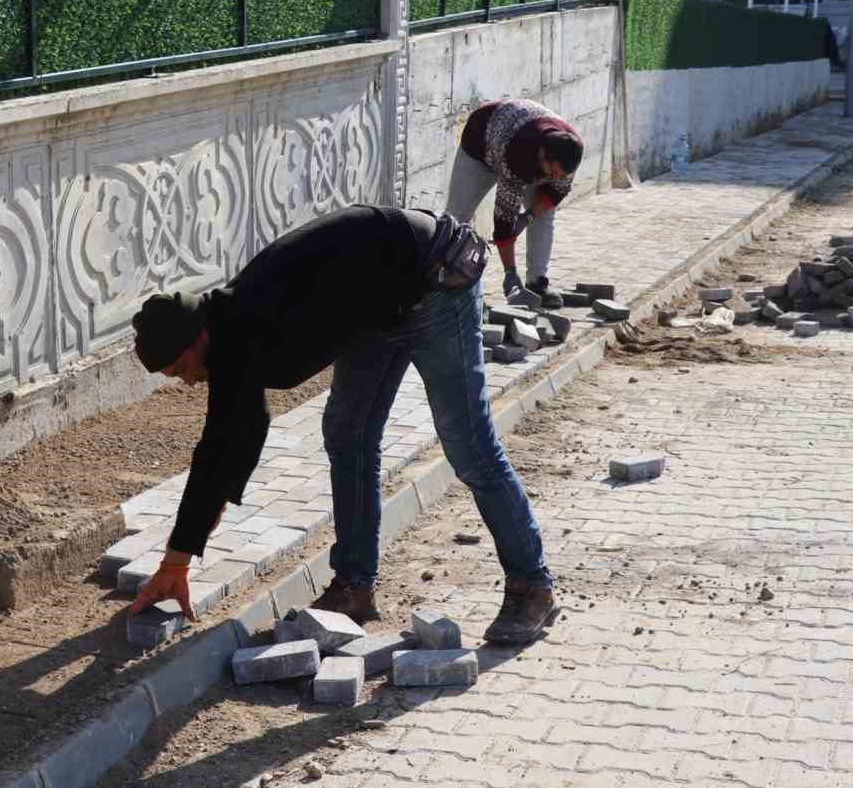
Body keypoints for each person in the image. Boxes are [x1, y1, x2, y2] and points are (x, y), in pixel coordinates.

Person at [126, 204, 557, 645]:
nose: (190, 381)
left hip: (436, 278)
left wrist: (176, 561)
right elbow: (228, 444)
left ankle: (532, 586)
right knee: (347, 433)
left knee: (467, 443)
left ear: (197, 337)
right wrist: (180, 555)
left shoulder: (244, 325)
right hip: (379, 303)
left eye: (182, 369)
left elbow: (223, 446)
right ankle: (354, 586)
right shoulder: (228, 332)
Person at [446, 98, 584, 305]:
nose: (556, 177)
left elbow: (556, 193)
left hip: (515, 130)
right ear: (543, 156)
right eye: (553, 172)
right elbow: (503, 221)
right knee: (457, 218)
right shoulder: (519, 154)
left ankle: (538, 282)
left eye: (560, 174)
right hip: (481, 141)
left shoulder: (570, 152)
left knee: (544, 215)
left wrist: (528, 216)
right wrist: (510, 272)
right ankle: (446, 286)